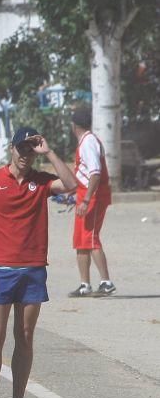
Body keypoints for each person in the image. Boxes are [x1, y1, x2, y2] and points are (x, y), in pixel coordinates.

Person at [0, 127, 77, 398]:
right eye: (22, 149)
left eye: (31, 150)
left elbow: (71, 185)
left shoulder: (41, 181)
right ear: (11, 148)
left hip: (32, 269)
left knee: (25, 336)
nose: (25, 156)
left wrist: (50, 152)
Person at [67, 107, 116, 298]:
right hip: (85, 194)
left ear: (74, 126)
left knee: (90, 237)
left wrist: (86, 199)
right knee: (81, 240)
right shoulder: (88, 141)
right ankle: (84, 284)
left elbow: (95, 173)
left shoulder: (88, 143)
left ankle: (106, 281)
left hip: (93, 196)